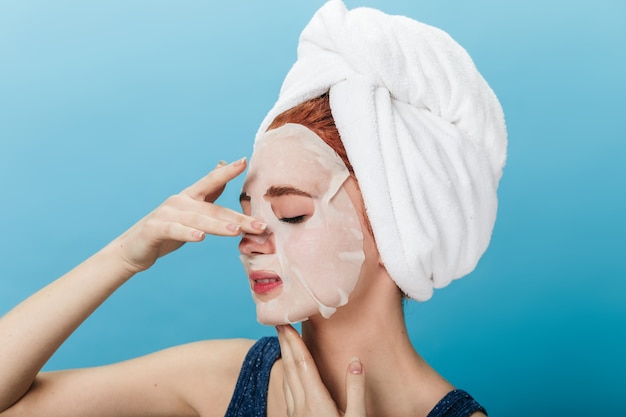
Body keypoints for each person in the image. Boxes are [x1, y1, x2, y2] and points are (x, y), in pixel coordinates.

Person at [0, 1, 506, 416]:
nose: (251, 238)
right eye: (248, 209)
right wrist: (126, 257)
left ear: (399, 228)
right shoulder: (219, 380)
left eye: (291, 213)